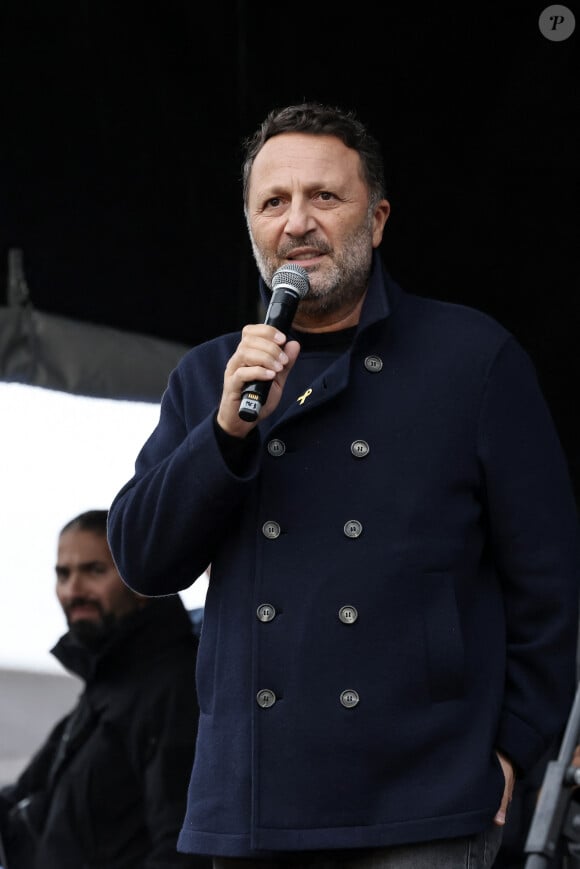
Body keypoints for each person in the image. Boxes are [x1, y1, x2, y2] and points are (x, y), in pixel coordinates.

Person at [106, 102, 580, 868]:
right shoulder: (210, 375)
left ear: (378, 218)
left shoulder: (473, 359)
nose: (297, 221)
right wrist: (224, 433)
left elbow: (551, 584)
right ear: (254, 227)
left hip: (421, 803)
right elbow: (144, 560)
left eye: (324, 196)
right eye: (274, 202)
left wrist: (516, 750)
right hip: (252, 807)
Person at [0, 510, 210, 869]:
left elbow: (179, 850)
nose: (73, 591)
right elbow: (26, 800)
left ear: (141, 579)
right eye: (63, 574)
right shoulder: (109, 682)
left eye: (94, 571)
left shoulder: (173, 688)